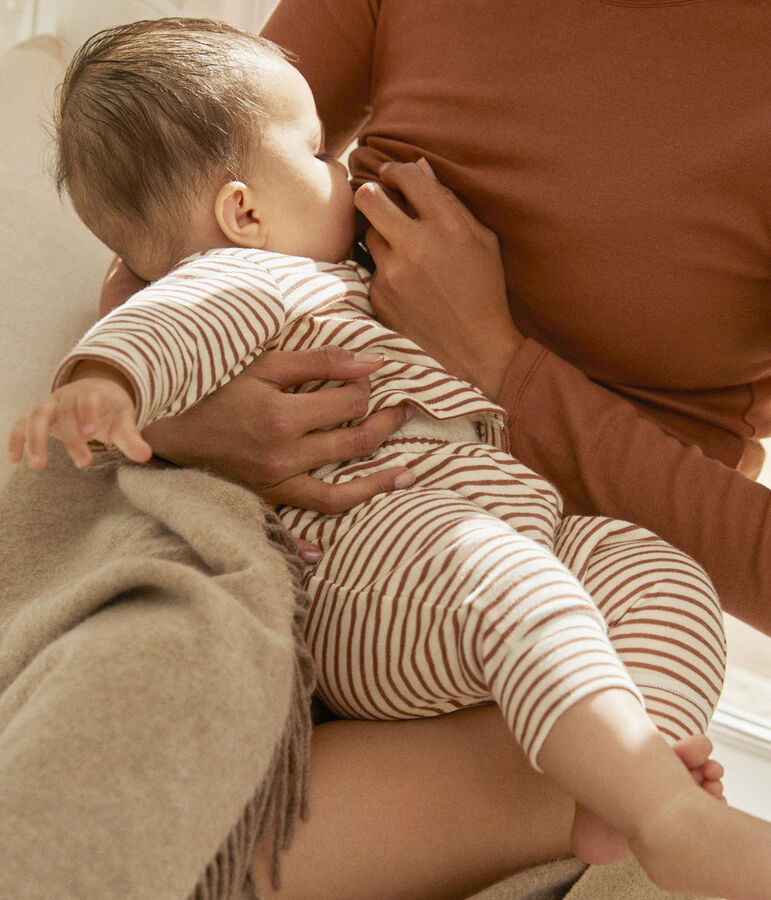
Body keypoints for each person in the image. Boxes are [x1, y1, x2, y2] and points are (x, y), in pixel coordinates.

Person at [10, 18, 771, 899]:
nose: (348, 169)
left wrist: (503, 364)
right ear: (246, 215)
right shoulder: (260, 275)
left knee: (664, 585)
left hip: (533, 529)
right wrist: (132, 397)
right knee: (505, 582)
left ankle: (611, 788)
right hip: (371, 561)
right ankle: (661, 812)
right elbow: (169, 293)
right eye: (323, 156)